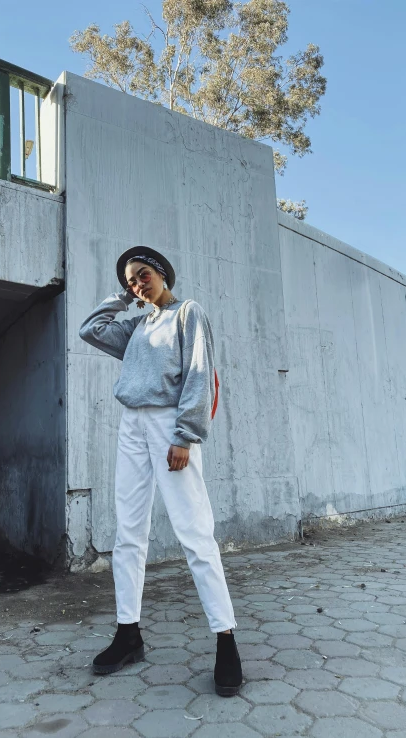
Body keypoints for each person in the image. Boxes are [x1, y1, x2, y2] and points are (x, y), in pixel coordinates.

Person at [78, 245, 242, 697]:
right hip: (131, 424)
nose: (137, 283)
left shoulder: (187, 313)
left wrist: (186, 435)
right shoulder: (134, 326)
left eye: (143, 274)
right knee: (128, 532)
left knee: (194, 532)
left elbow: (199, 371)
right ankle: (128, 634)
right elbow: (90, 330)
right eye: (131, 279)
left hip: (171, 424)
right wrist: (120, 297)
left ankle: (225, 639)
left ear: (163, 274)